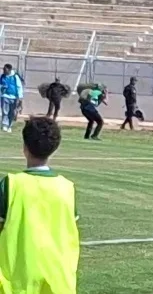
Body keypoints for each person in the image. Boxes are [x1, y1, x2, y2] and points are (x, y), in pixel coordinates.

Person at [0, 117, 79, 294]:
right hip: (59, 283)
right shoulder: (67, 188)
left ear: (24, 148)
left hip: (17, 284)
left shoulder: (10, 185)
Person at [0, 65, 23, 133]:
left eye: (5, 70)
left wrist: (20, 96)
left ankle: (9, 126)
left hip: (14, 97)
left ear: (9, 70)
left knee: (12, 112)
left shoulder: (15, 77)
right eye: (3, 70)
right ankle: (5, 125)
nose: (4, 71)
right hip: (5, 96)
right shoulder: (2, 76)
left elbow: (19, 87)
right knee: (5, 111)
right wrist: (2, 87)